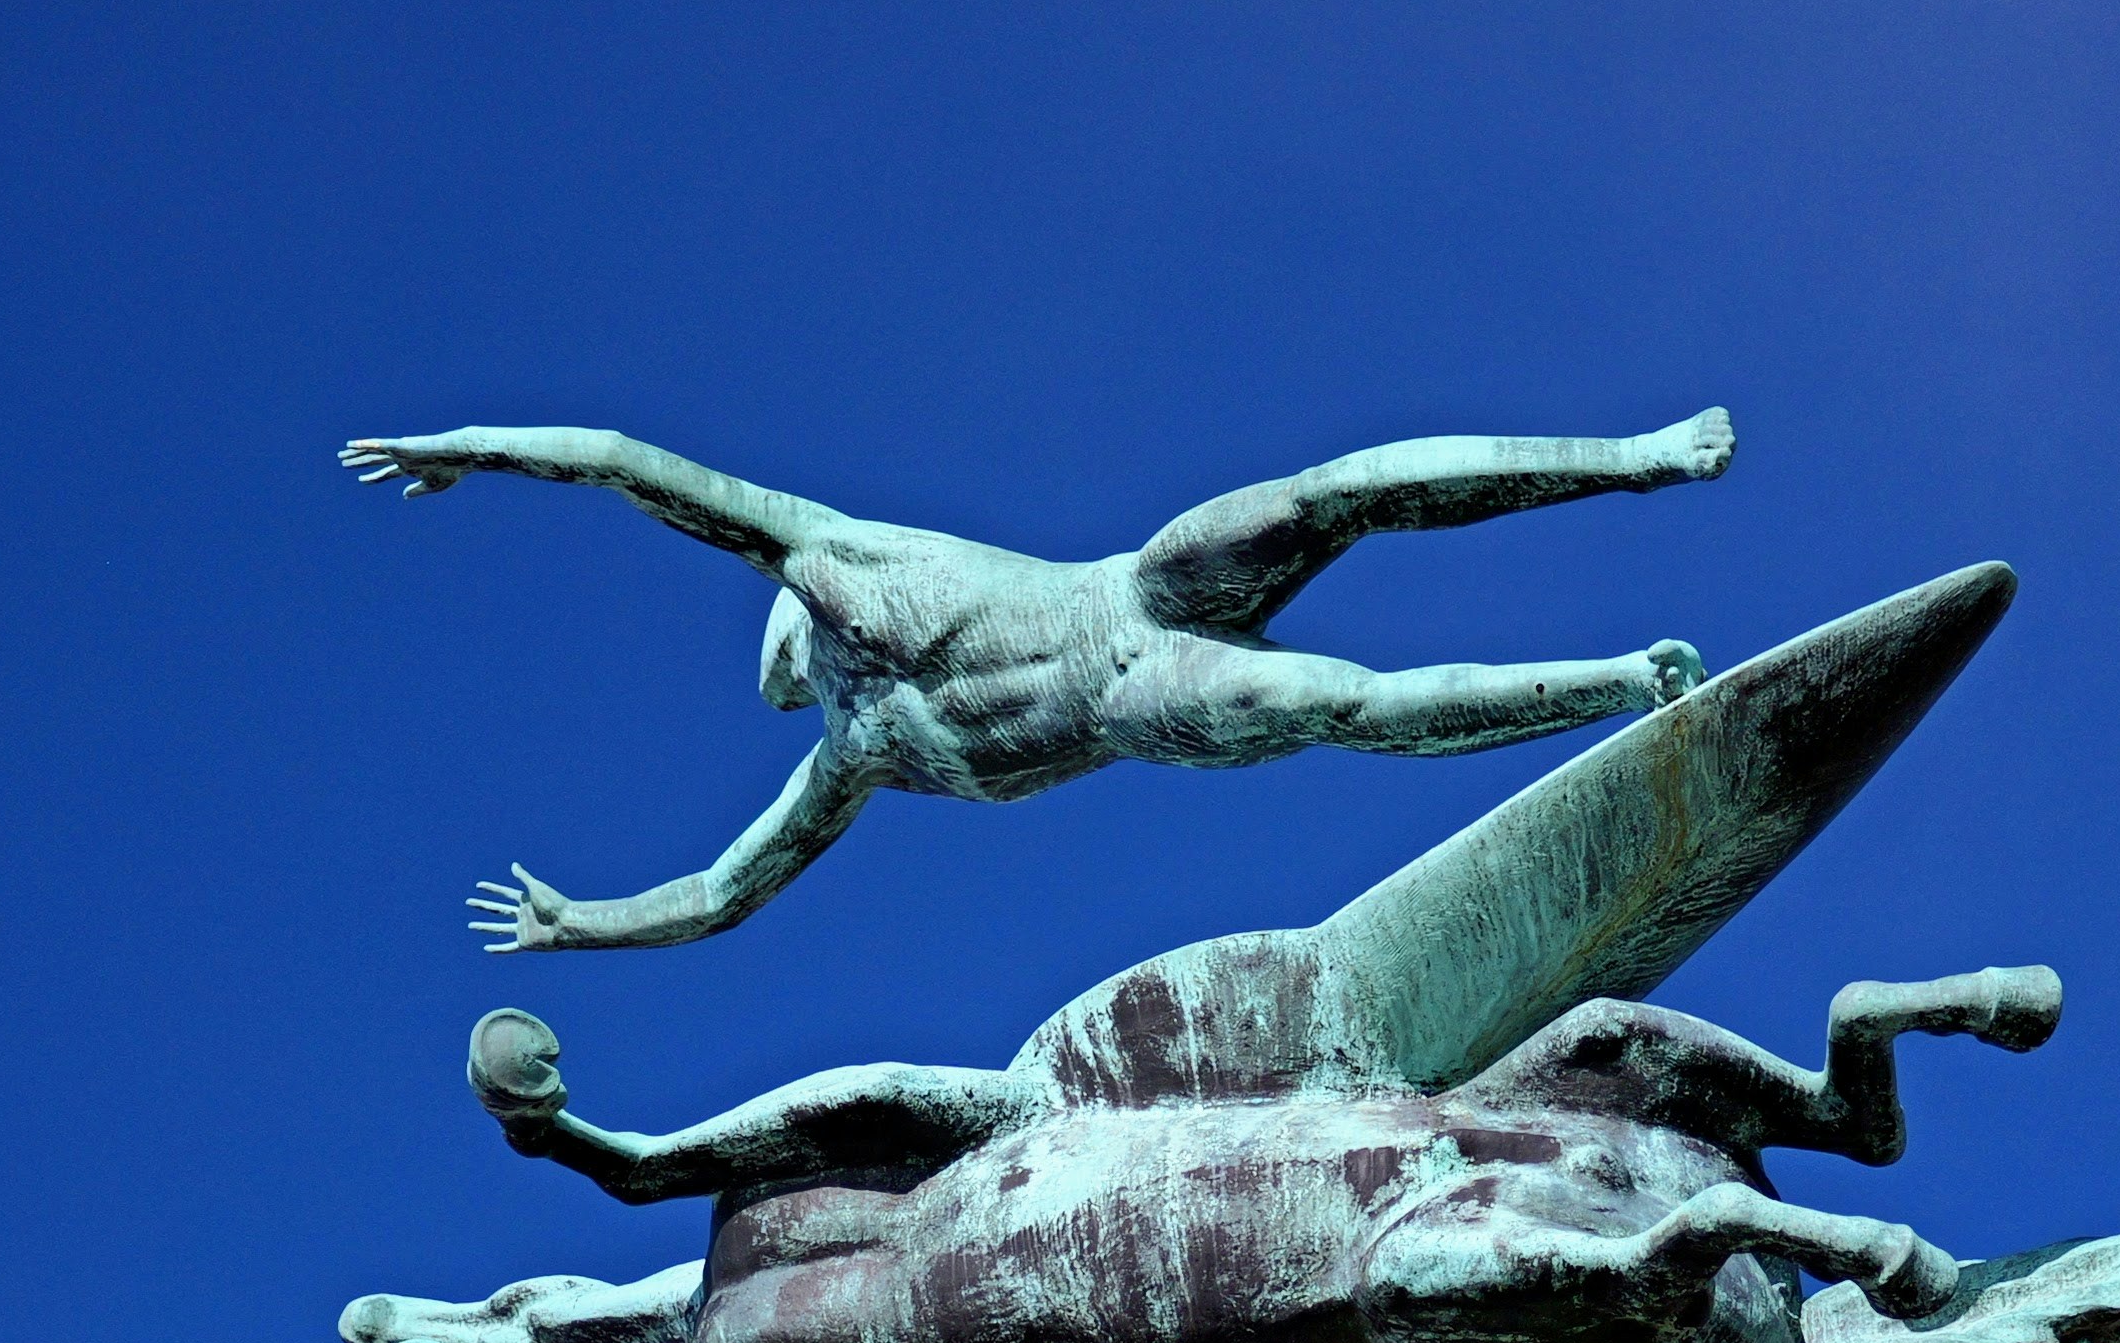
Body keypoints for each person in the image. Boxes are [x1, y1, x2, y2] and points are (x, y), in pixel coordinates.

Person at [339, 406, 1736, 947]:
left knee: (1328, 502)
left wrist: (476, 444)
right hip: (1128, 693)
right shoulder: (858, 751)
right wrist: (581, 926)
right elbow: (724, 890)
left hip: (1133, 589)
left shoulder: (823, 557)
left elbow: (634, 469)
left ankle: (1640, 461)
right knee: (1336, 701)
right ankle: (1618, 681)